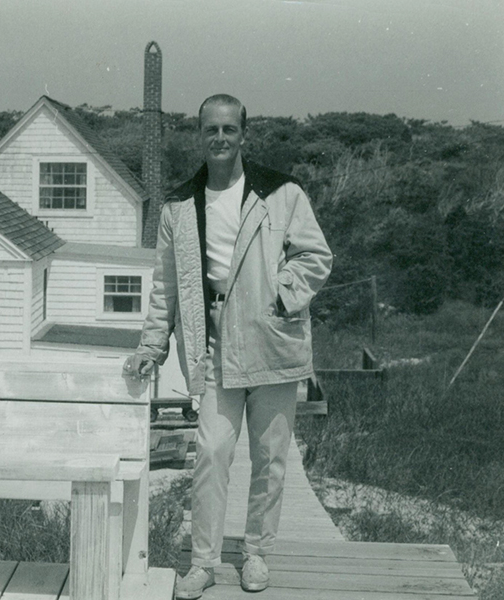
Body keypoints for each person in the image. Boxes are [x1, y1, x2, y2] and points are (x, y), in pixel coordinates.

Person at [124, 94, 332, 597]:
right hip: (212, 343)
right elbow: (165, 287)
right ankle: (203, 561)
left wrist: (278, 298)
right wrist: (151, 347)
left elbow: (315, 256)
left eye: (229, 130)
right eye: (210, 130)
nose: (220, 139)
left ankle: (258, 554)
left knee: (270, 456)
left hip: (272, 342)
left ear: (244, 133)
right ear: (200, 135)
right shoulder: (178, 205)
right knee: (212, 452)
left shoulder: (282, 194)